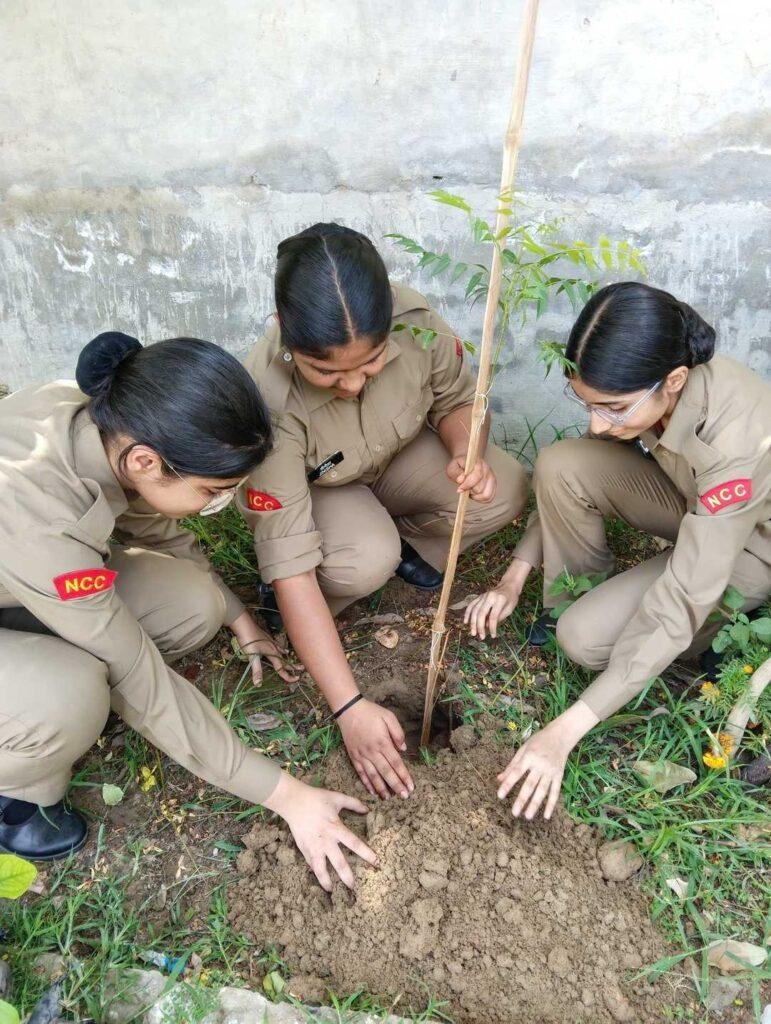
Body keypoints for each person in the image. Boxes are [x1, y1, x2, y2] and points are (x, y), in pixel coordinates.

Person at [0, 332, 376, 890]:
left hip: (22, 578)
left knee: (197, 603)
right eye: (212, 492)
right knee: (71, 694)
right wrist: (288, 796)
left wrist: (238, 616)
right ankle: (16, 796)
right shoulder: (39, 512)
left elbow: (153, 524)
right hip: (27, 560)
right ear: (145, 460)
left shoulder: (110, 421)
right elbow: (143, 681)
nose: (215, 505)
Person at [239, 223, 529, 800]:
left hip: (395, 461)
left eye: (370, 364)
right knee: (363, 560)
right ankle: (357, 564)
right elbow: (291, 564)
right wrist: (349, 707)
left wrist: (463, 451)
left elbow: (458, 400)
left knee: (506, 488)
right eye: (327, 373)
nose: (350, 385)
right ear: (284, 331)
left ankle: (402, 548)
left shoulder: (413, 321)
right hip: (324, 492)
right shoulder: (267, 400)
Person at [464, 282, 771, 821]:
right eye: (587, 404)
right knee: (561, 463)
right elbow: (569, 472)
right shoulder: (653, 385)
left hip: (751, 543)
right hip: (689, 500)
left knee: (582, 638)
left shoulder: (737, 442)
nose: (596, 424)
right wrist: (514, 577)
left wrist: (566, 730)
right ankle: (579, 595)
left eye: (612, 409)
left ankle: (684, 636)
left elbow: (682, 599)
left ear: (674, 381)